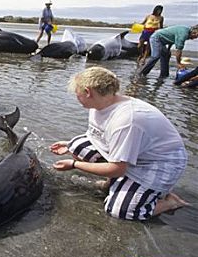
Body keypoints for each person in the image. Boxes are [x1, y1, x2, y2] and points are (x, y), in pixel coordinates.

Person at [50, 66, 189, 221]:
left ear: (88, 92)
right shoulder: (100, 104)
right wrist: (69, 144)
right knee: (76, 145)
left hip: (160, 163)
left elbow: (117, 169)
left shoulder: (127, 119)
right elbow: (98, 136)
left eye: (77, 94)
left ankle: (169, 202)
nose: (76, 98)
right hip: (136, 153)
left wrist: (74, 164)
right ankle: (111, 183)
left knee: (120, 211)